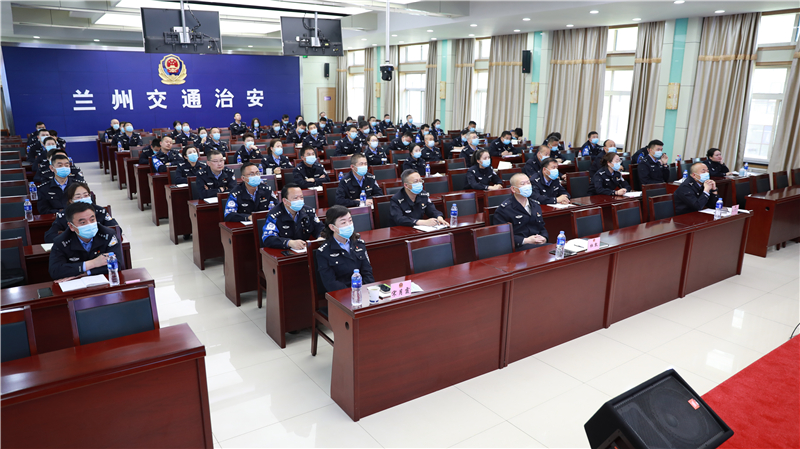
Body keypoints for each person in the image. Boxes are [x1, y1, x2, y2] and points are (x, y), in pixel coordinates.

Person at [48, 202, 124, 281]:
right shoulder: (61, 242)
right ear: (71, 226)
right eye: (83, 222)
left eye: (92, 220)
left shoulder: (109, 235)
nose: (89, 224)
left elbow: (117, 264)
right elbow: (55, 271)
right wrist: (93, 263)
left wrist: (85, 273)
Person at [315, 205, 375, 293]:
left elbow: (368, 272)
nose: (348, 225)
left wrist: (366, 290)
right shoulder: (324, 252)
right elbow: (330, 283)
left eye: (350, 221)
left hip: (362, 291)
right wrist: (351, 293)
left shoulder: (359, 244)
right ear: (332, 227)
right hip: (341, 295)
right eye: (343, 222)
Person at [44, 182, 118, 243]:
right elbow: (49, 236)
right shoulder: (64, 215)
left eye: (86, 195)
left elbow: (116, 229)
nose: (83, 199)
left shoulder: (100, 211)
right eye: (78, 197)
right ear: (71, 201)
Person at [493, 173, 549, 250]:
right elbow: (503, 236)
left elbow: (541, 227)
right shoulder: (504, 209)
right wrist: (526, 241)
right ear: (513, 189)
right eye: (522, 184)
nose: (527, 186)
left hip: (537, 244)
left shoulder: (535, 205)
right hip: (519, 247)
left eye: (528, 183)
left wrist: (544, 238)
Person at [261, 183, 324, 250]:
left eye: (301, 197)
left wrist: (321, 237)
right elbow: (268, 238)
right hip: (283, 251)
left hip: (303, 250)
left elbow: (320, 228)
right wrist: (289, 243)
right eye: (295, 198)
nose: (299, 200)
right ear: (285, 201)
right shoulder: (274, 215)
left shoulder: (309, 212)